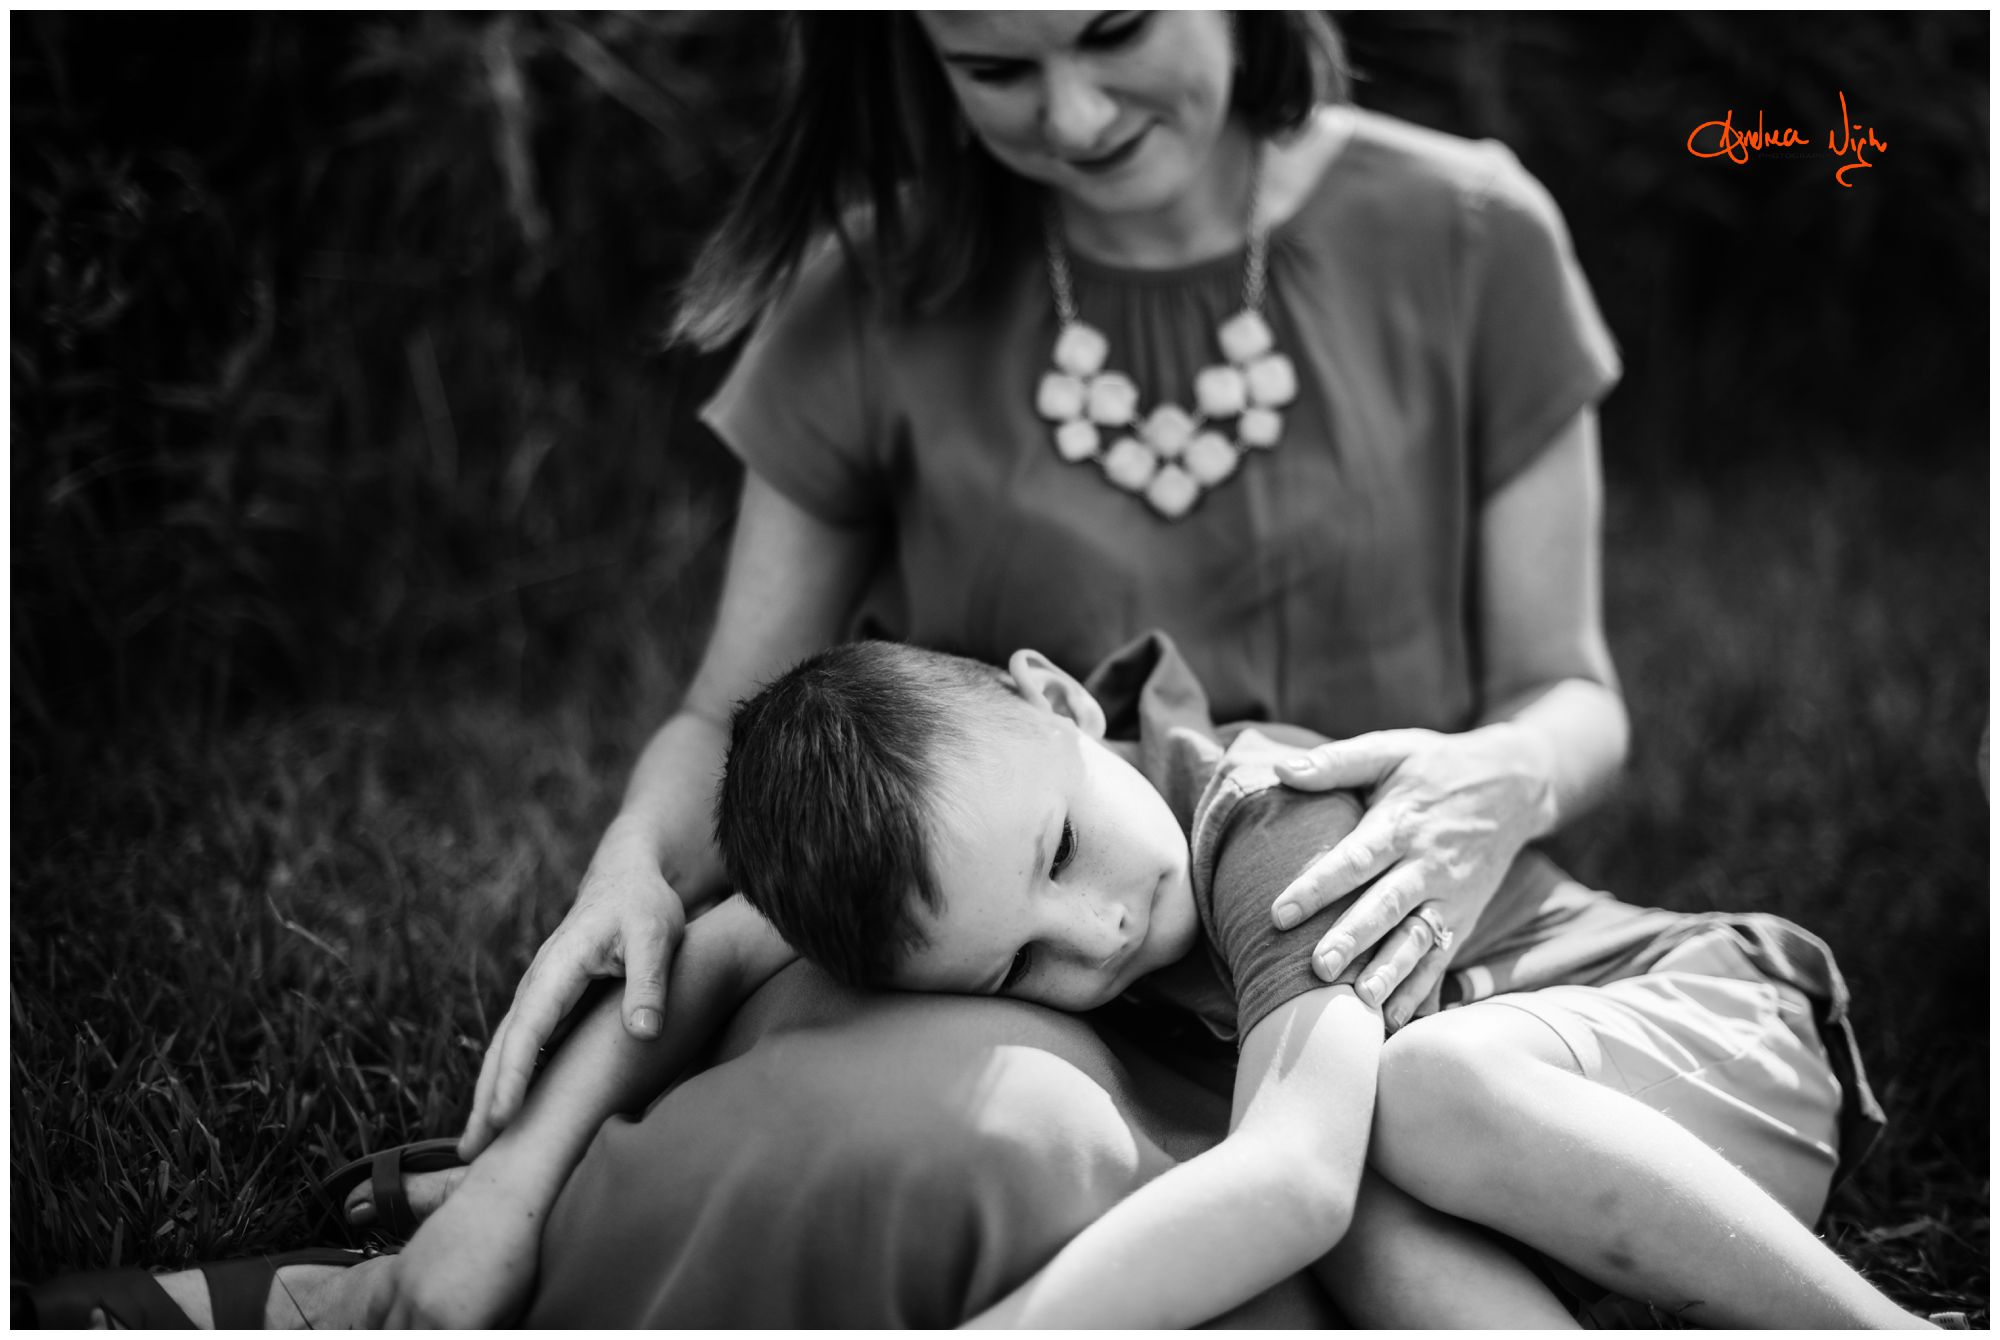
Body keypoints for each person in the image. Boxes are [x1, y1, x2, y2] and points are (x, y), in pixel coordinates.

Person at [5, 10, 1888, 1328]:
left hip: (1393, 1010)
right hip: (1153, 1054)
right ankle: (443, 1282)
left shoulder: (1467, 234)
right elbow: (736, 744)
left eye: (1114, 32)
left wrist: (1502, 773)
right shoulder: (875, 300)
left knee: (1256, 1157)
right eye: (992, 67)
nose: (1066, 116)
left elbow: (1575, 690)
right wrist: (627, 886)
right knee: (943, 1113)